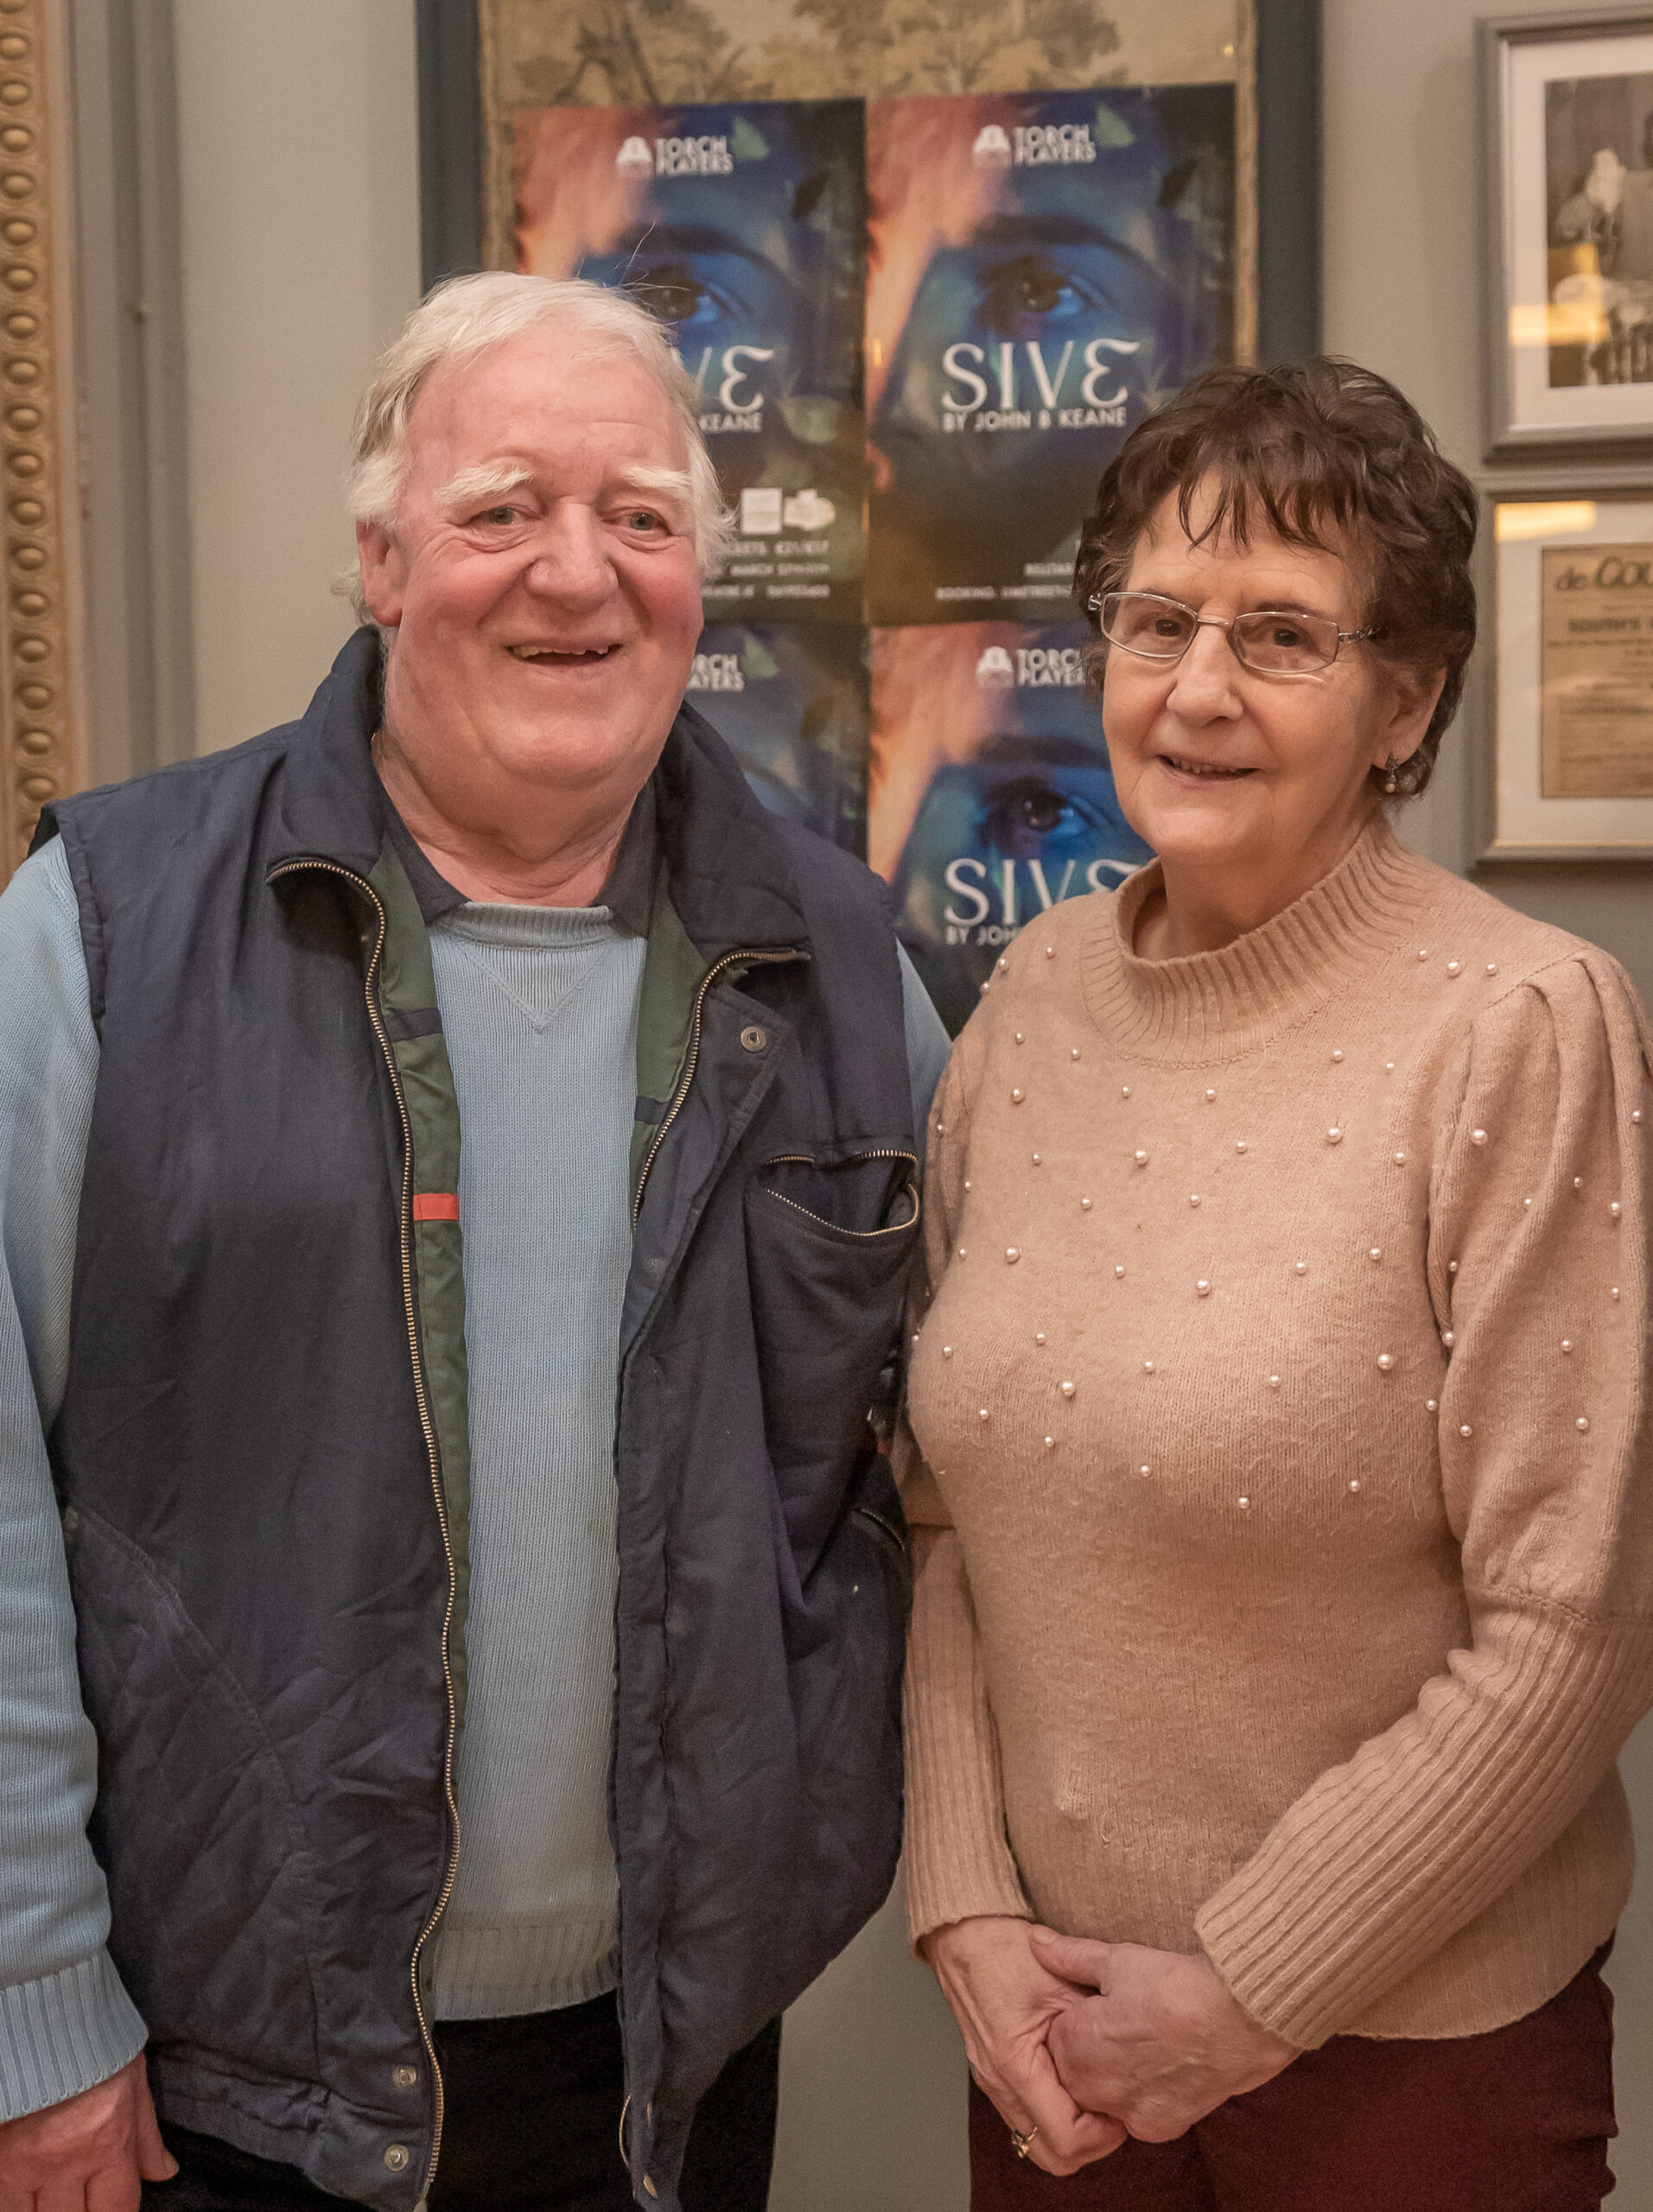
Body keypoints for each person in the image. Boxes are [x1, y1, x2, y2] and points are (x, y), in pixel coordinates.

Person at [0, 272, 949, 2212]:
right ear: (381, 560)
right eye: (502, 508)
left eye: (640, 517)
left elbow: (969, 1459)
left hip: (668, 2068)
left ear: (699, 577)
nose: (574, 573)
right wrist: (33, 1999)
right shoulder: (99, 932)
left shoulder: (848, 969)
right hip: (206, 2078)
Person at [900, 357, 1651, 2211]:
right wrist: (965, 1904)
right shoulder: (1032, 997)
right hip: (1058, 2043)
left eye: (1284, 635)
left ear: (1407, 701)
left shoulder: (1521, 1024)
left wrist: (1246, 1995)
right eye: (1155, 621)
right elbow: (940, 1516)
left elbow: (1578, 1622)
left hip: (1408, 2072)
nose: (1197, 688)